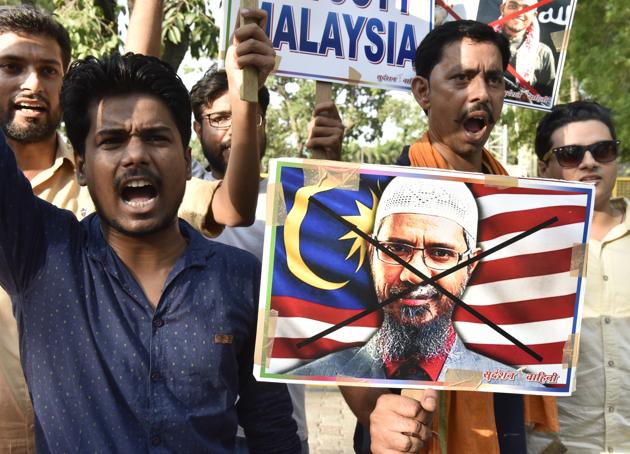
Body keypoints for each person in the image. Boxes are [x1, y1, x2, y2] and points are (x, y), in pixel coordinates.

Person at [0, 4, 276, 452]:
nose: (135, 156)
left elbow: (271, 426)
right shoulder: (39, 254)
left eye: (156, 137)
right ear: (84, 168)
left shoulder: (241, 277)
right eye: (111, 141)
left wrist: (245, 95)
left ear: (187, 163)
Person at [343, 20, 558, 454]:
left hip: (501, 424)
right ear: (423, 91)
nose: (480, 93)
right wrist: (374, 412)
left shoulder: (520, 206)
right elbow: (344, 335)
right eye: (461, 78)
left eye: (493, 79)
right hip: (401, 435)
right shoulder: (373, 198)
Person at [189, 65, 344, 453]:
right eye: (220, 117)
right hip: (197, 429)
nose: (234, 128)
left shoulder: (296, 195)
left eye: (247, 115)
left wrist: (334, 170)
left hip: (279, 428)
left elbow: (337, 279)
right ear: (195, 129)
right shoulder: (177, 197)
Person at [292, 177, 518, 381]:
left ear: (470, 266)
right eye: (396, 249)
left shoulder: (509, 384)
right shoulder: (314, 376)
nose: (414, 274)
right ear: (371, 253)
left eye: (440, 253)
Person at [528, 101, 629, 454]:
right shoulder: (523, 250)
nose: (590, 162)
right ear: (545, 167)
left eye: (603, 150)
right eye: (571, 154)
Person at [493, 0, 556, 97]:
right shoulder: (483, 42)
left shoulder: (543, 53)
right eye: (513, 6)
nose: (519, 12)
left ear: (534, 15)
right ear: (502, 9)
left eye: (527, 8)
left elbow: (546, 97)